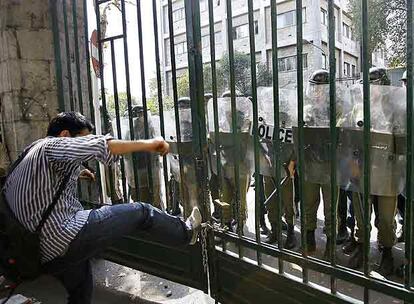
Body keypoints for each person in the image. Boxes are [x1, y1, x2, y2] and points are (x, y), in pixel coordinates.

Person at [3, 112, 202, 304]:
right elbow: (101, 145)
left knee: (80, 287)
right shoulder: (53, 144)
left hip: (34, 249)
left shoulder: (30, 151)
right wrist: (151, 144)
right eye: (82, 138)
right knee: (142, 212)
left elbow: (40, 185)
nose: (83, 144)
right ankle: (186, 232)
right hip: (62, 236)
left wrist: (79, 172)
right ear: (65, 135)